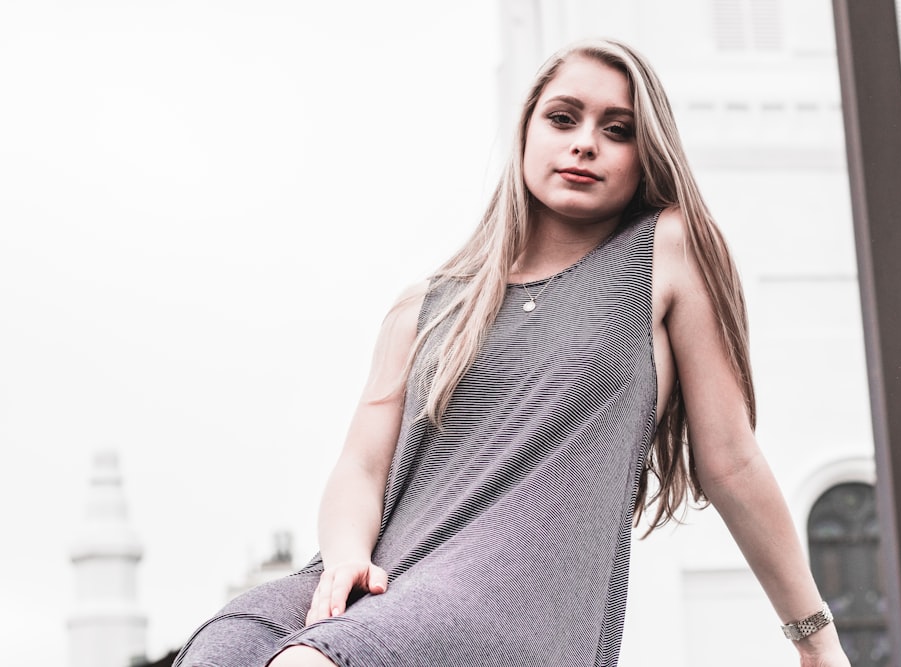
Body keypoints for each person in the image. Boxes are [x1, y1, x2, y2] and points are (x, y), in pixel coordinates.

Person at [173, 38, 851, 667]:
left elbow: (730, 459)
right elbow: (361, 464)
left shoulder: (670, 249)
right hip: (379, 582)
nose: (586, 143)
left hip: (510, 600)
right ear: (526, 130)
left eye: (617, 131)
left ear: (646, 156)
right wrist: (346, 555)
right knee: (221, 647)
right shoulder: (428, 305)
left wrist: (815, 640)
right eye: (564, 118)